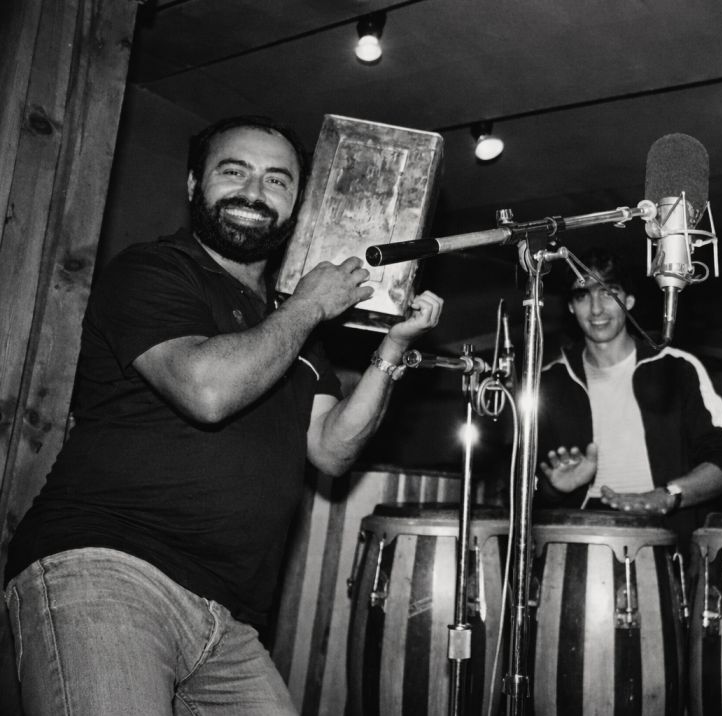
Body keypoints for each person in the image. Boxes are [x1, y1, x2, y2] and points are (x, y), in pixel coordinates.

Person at [3, 115, 442, 715]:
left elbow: (332, 449)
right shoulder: (154, 270)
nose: (254, 193)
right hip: (108, 569)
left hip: (230, 617)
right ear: (193, 184)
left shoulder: (291, 326)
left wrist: (392, 349)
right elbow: (206, 392)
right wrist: (308, 306)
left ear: (298, 204)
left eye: (277, 180)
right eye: (234, 172)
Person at [535, 247, 722, 541]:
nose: (596, 309)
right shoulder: (551, 383)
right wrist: (554, 488)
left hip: (665, 537)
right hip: (577, 541)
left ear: (629, 300)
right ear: (571, 307)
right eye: (583, 296)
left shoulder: (676, 367)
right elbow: (526, 487)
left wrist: (668, 496)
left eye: (608, 293)